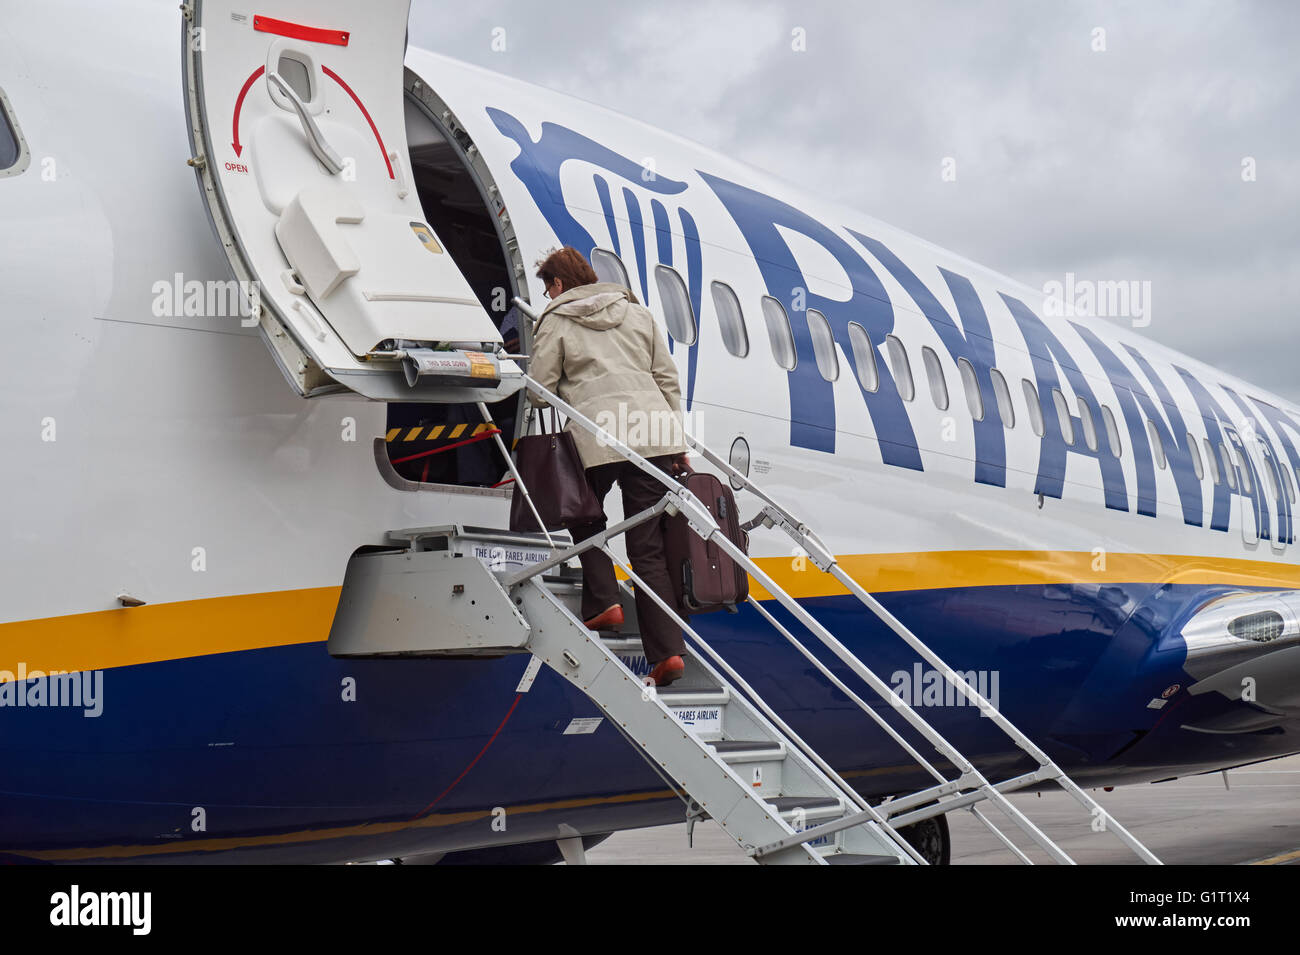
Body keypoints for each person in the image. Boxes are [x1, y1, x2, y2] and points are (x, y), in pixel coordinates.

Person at [528, 247, 689, 686]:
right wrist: (675, 438)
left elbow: (540, 392)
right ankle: (669, 653)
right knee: (648, 547)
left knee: (583, 514)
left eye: (547, 289)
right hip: (652, 431)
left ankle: (603, 602)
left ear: (558, 285)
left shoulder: (556, 321)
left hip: (596, 434)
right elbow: (667, 378)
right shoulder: (637, 314)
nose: (546, 297)